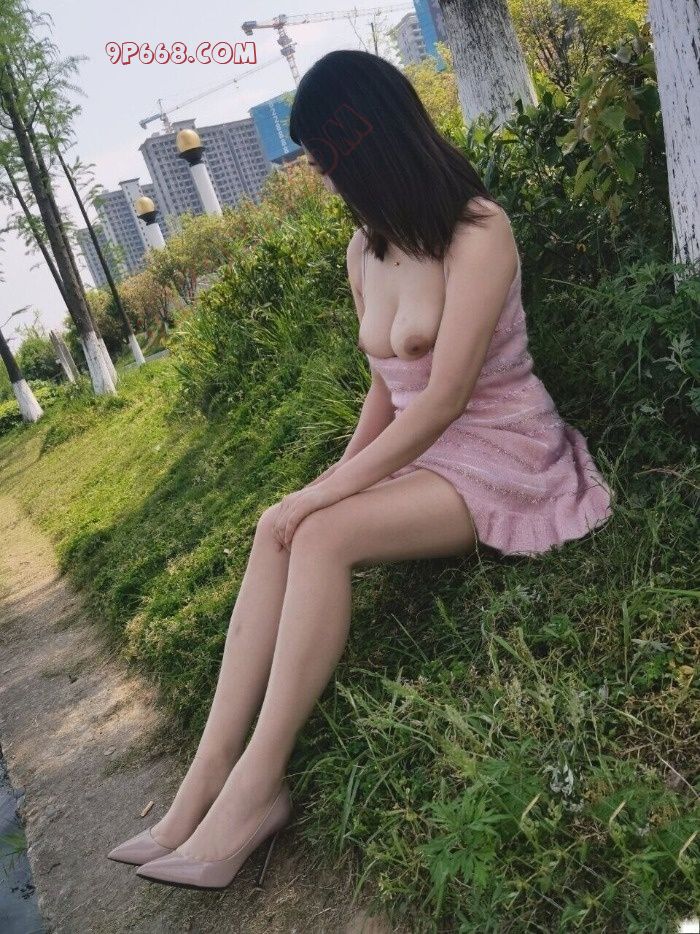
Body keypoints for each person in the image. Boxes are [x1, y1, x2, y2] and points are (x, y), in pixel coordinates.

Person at [106, 49, 613, 890]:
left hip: (503, 452)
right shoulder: (362, 250)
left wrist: (330, 497)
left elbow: (444, 398)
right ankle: (205, 778)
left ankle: (257, 788)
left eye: (324, 156)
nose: (320, 175)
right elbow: (388, 387)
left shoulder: (478, 230)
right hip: (424, 457)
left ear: (366, 141)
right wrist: (318, 489)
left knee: (321, 533)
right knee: (280, 528)